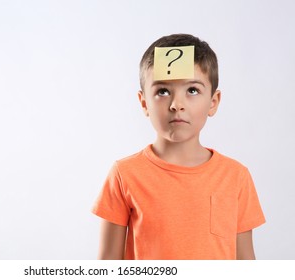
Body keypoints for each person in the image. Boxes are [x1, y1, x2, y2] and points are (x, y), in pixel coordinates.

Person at [92, 34, 265, 260]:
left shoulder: (236, 177)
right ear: (144, 102)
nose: (176, 105)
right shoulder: (124, 175)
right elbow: (107, 264)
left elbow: (246, 263)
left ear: (213, 102)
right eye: (163, 91)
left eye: (192, 90)